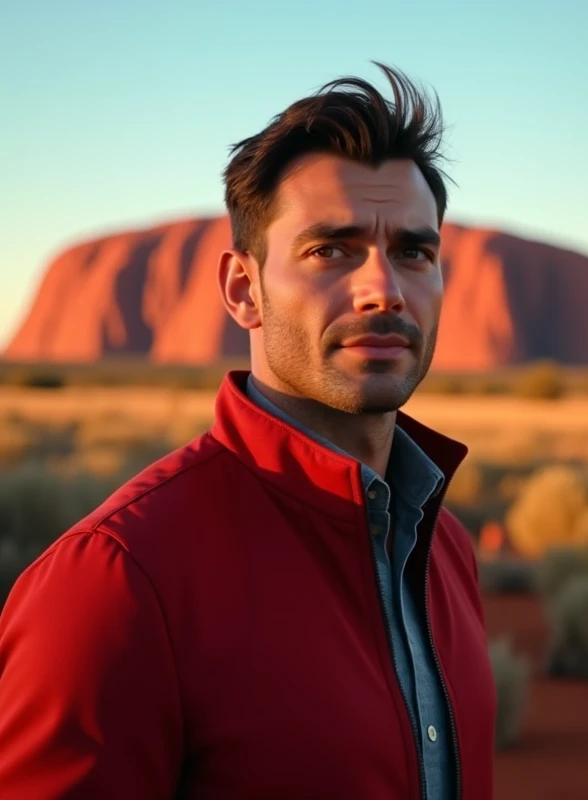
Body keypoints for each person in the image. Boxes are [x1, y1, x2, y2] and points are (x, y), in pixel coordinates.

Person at [0, 63, 495, 799]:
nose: (383, 289)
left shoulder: (444, 547)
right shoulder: (118, 582)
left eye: (412, 252)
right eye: (331, 249)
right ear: (242, 289)